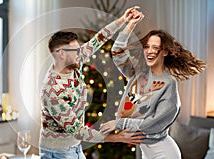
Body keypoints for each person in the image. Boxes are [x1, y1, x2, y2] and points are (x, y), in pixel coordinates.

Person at [39, 6, 146, 159]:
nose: (80, 53)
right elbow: (77, 130)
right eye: (75, 51)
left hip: (74, 146)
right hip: (57, 152)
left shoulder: (73, 61)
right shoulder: (53, 90)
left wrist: (124, 19)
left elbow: (99, 38)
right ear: (61, 54)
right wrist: (117, 138)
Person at [100, 9, 206, 159]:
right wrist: (131, 24)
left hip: (163, 152)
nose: (149, 51)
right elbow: (117, 51)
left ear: (165, 52)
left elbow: (155, 121)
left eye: (155, 48)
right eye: (146, 47)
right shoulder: (138, 73)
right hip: (146, 150)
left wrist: (118, 123)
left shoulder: (169, 84)